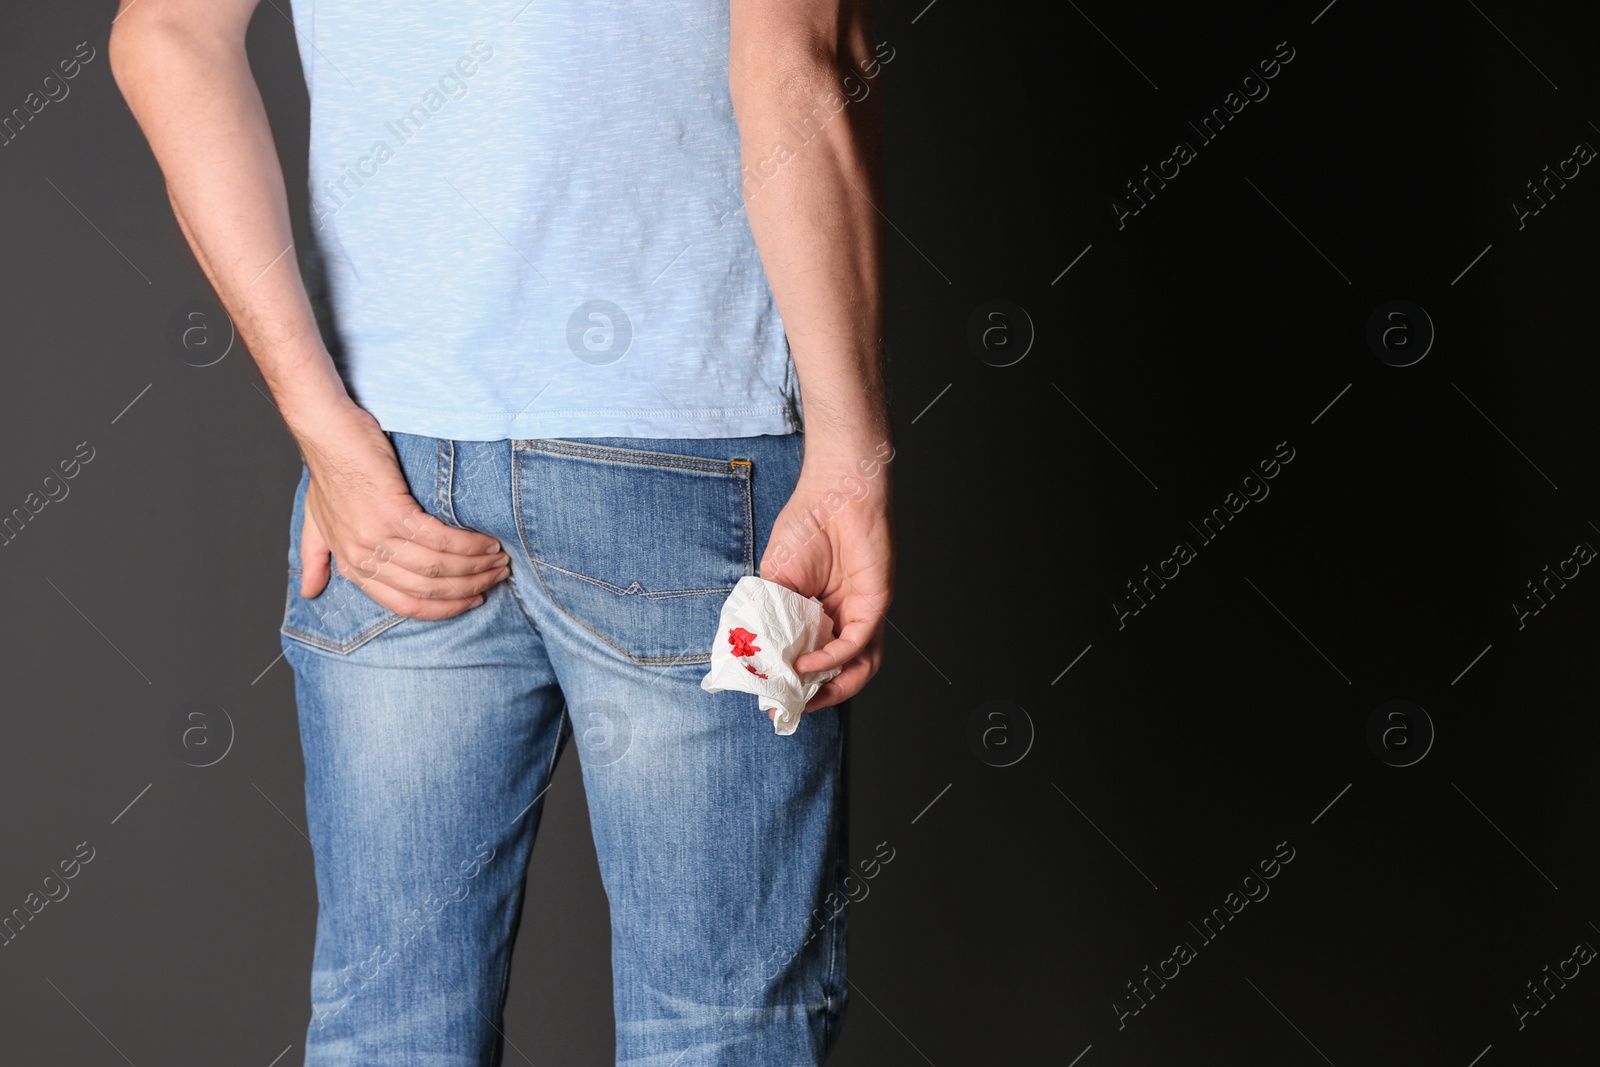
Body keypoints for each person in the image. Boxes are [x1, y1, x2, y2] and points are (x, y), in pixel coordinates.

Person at [108, 0, 894, 1063]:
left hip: (389, 474)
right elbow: (799, 54)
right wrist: (851, 456)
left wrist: (322, 423)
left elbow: (166, 32)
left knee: (389, 1032)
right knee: (724, 1030)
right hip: (685, 451)